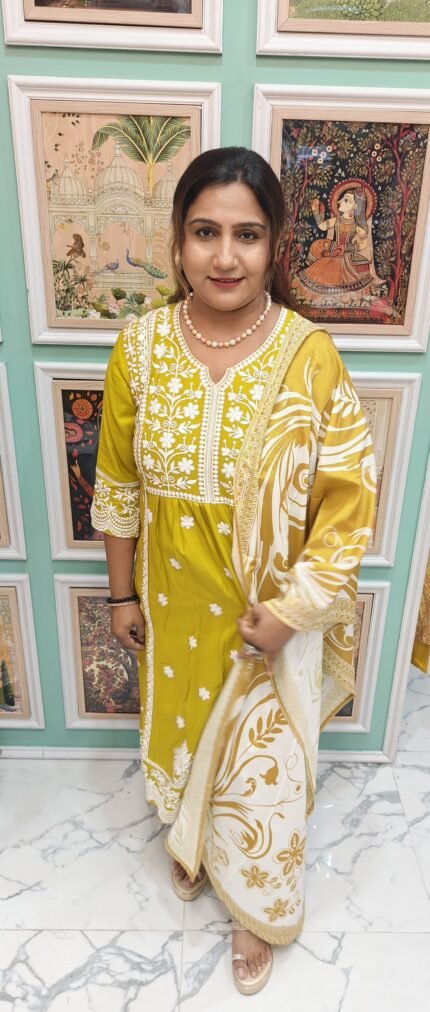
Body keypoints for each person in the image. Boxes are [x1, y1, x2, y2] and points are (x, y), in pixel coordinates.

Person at [91, 147, 376, 996]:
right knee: (183, 736)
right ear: (177, 242)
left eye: (246, 235)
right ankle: (192, 838)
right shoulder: (139, 348)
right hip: (177, 602)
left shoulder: (308, 355)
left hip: (270, 618)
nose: (225, 256)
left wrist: (296, 610)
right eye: (204, 232)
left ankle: (254, 902)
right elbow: (119, 484)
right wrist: (121, 594)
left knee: (264, 769)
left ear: (276, 243)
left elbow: (349, 500)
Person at [291, 178, 386, 308]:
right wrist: (316, 211)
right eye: (341, 199)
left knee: (331, 266)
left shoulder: (357, 226)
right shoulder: (336, 220)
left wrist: (345, 248)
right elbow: (322, 226)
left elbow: (363, 245)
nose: (340, 201)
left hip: (347, 254)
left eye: (346, 200)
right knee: (319, 256)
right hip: (335, 249)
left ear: (355, 207)